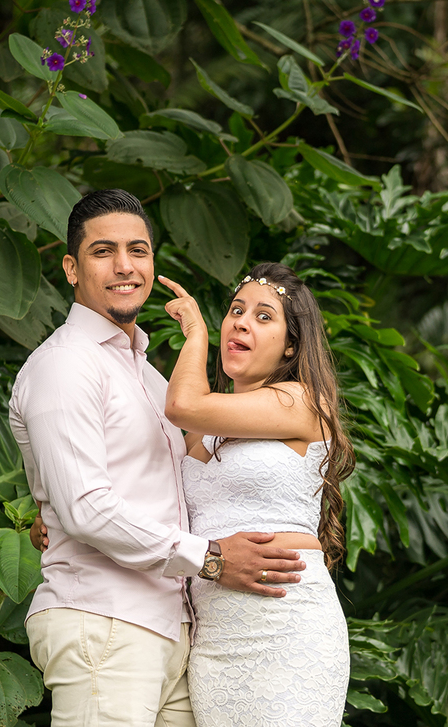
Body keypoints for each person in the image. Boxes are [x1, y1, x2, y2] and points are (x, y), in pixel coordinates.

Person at [8, 189, 307, 727]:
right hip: (105, 619)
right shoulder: (66, 365)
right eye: (103, 252)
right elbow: (86, 509)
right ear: (72, 269)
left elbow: (155, 490)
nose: (125, 266)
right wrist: (211, 558)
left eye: (138, 250)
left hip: (176, 632)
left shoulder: (148, 376)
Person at [159, 262, 354, 727]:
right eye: (236, 311)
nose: (241, 322)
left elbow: (182, 404)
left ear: (291, 345)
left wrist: (196, 335)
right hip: (215, 640)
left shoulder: (303, 401)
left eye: (264, 316)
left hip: (287, 626)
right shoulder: (201, 435)